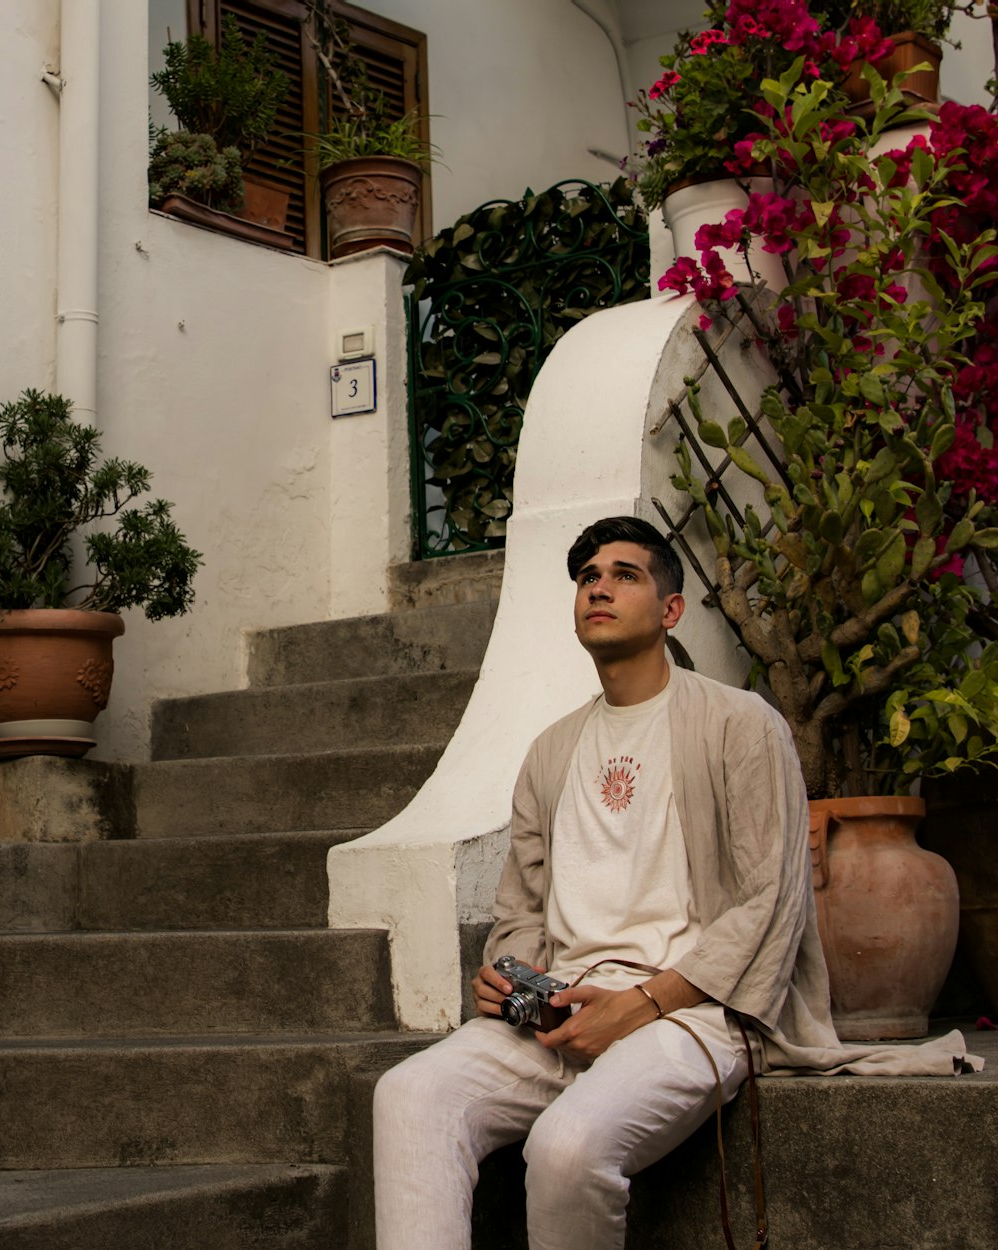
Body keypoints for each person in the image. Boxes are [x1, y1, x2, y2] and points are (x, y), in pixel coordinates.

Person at [371, 514, 973, 1250]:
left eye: (624, 575)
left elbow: (768, 903)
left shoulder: (740, 725)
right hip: (561, 1007)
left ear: (670, 610)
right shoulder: (550, 752)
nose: (599, 587)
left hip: (693, 1013)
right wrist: (509, 975)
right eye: (589, 577)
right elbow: (521, 909)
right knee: (408, 1094)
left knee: (567, 1147)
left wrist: (643, 1004)